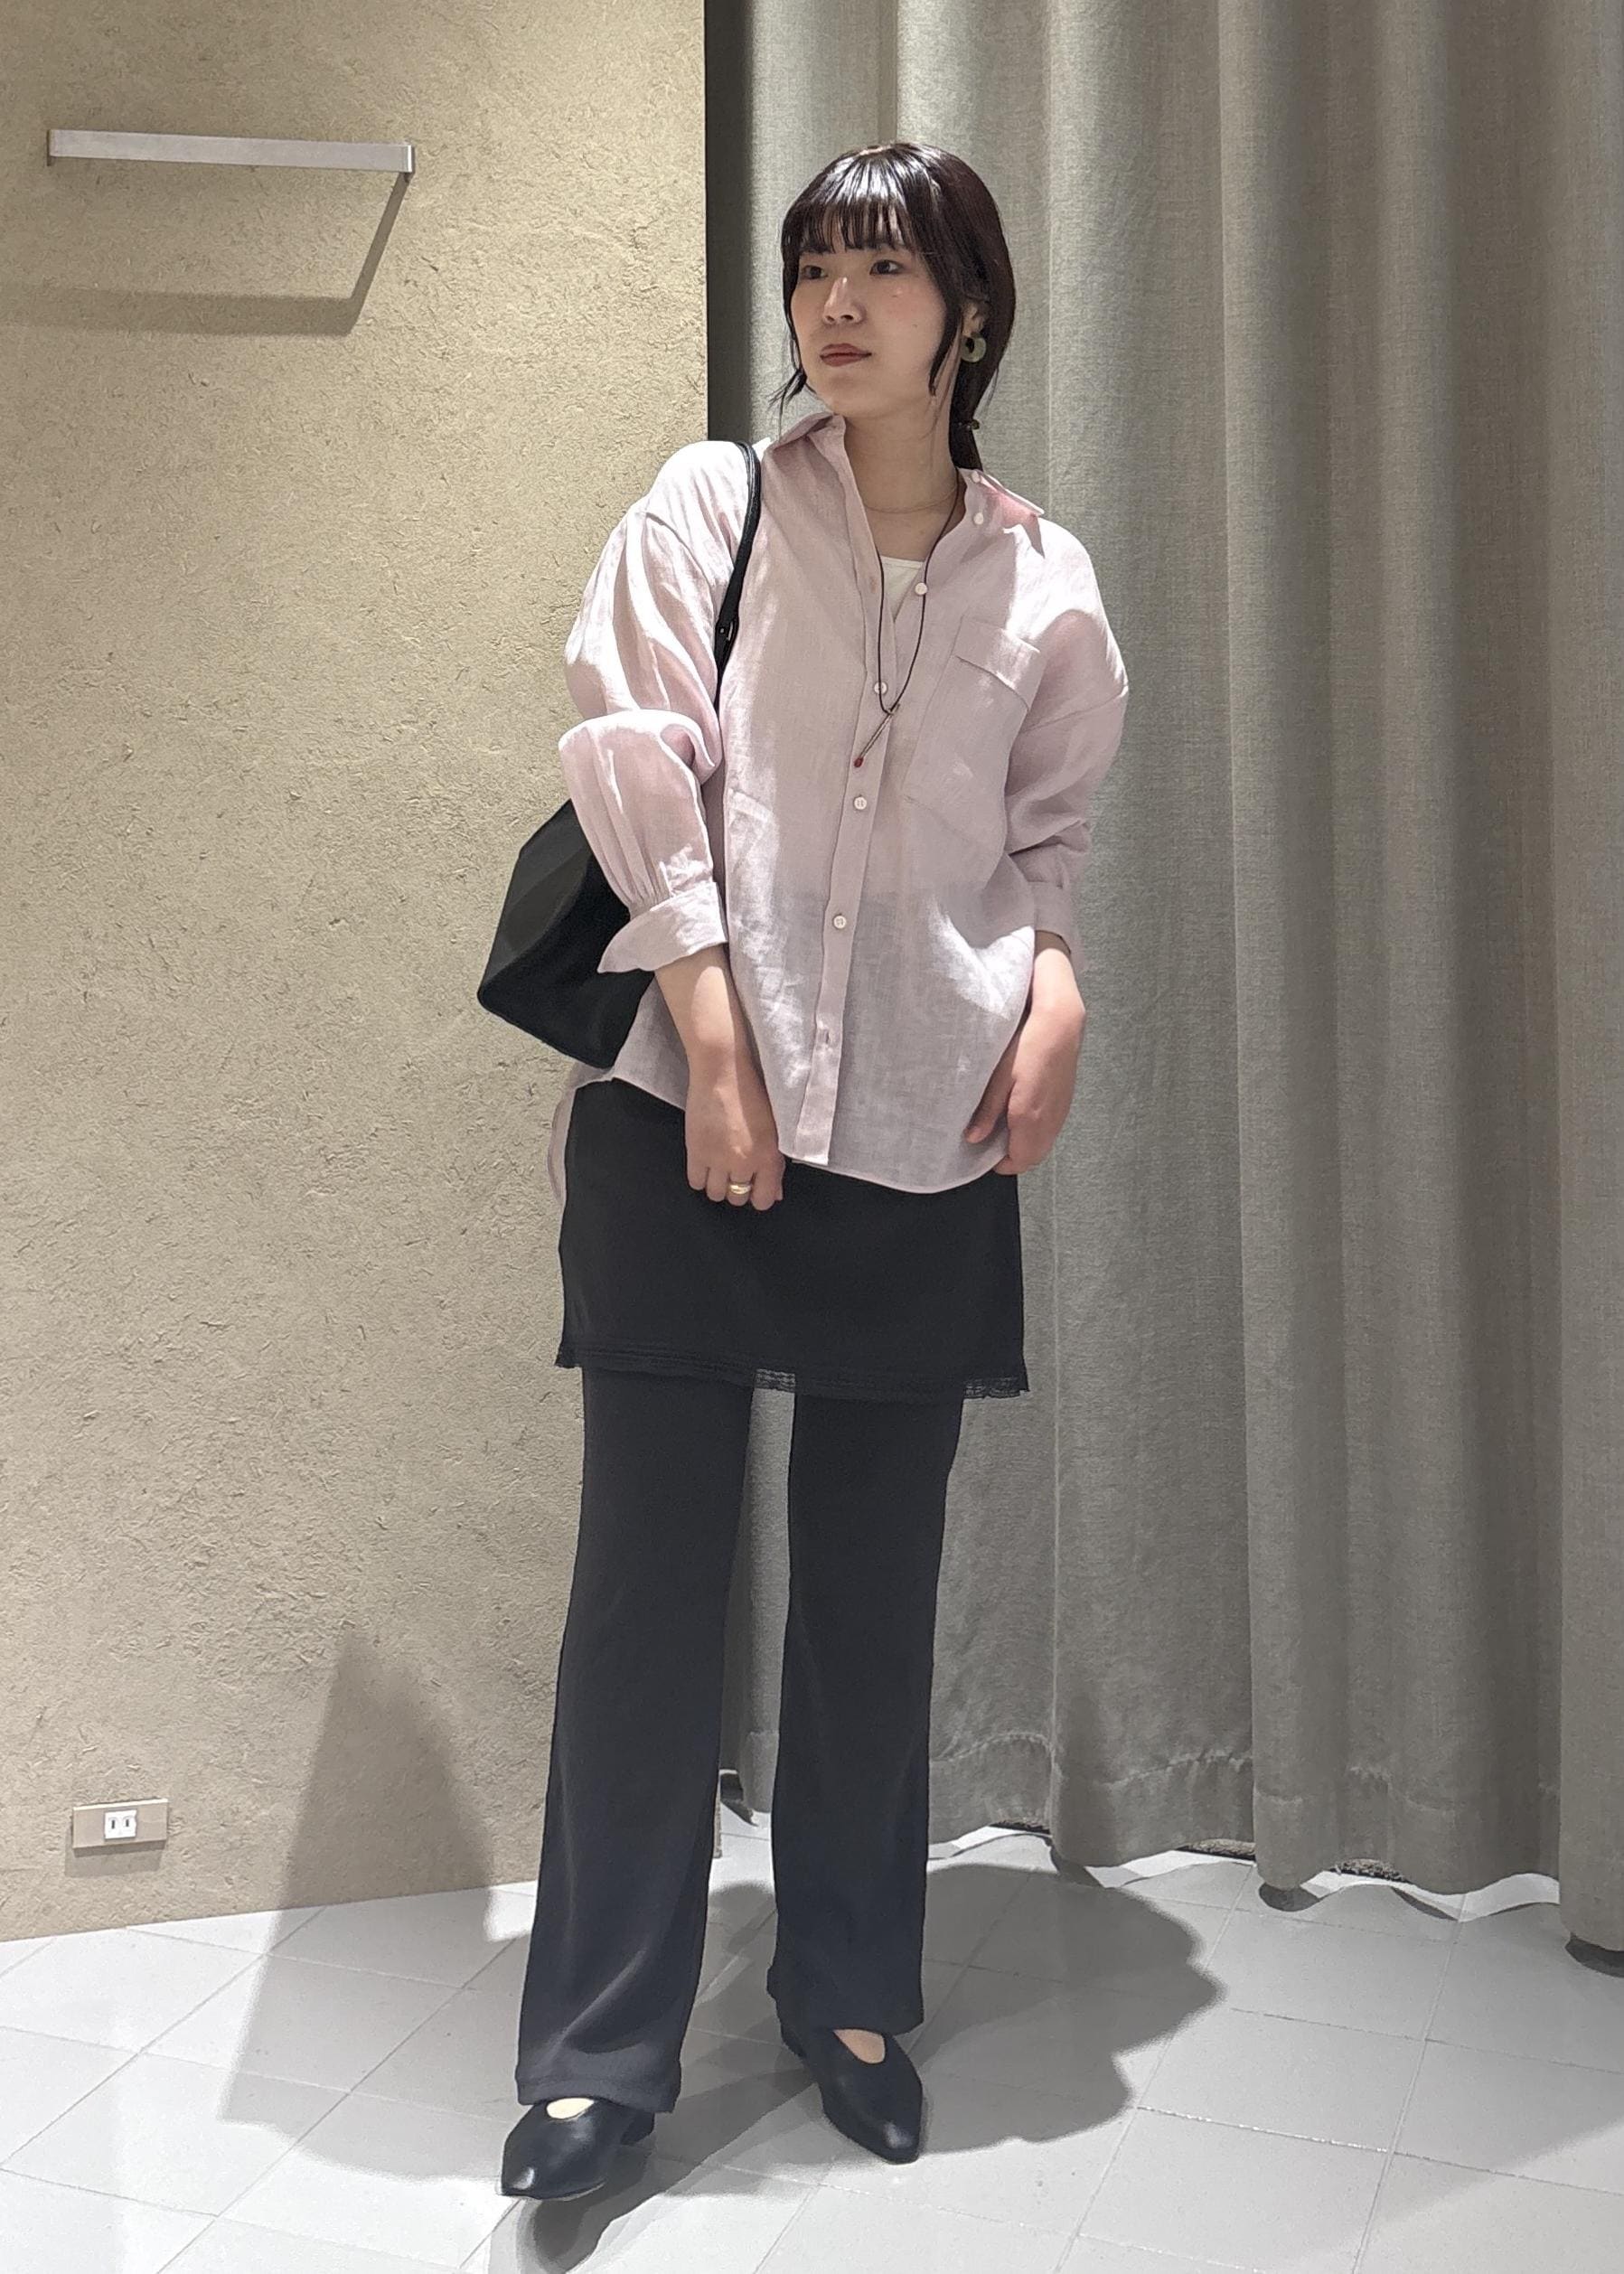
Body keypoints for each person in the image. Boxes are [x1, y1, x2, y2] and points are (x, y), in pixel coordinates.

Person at [501, 138, 1130, 2203]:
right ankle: (595, 2055)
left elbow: (1043, 847)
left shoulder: (1044, 581)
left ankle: (848, 1989)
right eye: (811, 270)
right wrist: (712, 1047)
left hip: (926, 1125)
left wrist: (1053, 993)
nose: (836, 306)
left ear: (969, 309)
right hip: (688, 1099)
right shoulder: (711, 508)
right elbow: (632, 757)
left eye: (883, 269)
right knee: (644, 1591)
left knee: (872, 1590)